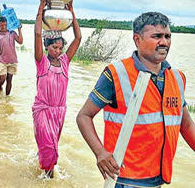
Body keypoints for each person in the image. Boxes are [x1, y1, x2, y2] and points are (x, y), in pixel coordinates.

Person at [76, 12, 195, 187]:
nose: (164, 42)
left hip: (158, 178)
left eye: (168, 36)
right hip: (124, 179)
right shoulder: (116, 74)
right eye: (157, 36)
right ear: (137, 40)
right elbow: (84, 116)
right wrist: (100, 153)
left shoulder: (177, 78)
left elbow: (185, 125)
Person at [32, 0, 82, 178]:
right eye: (54, 47)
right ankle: (47, 179)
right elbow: (37, 33)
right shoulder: (41, 62)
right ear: (47, 46)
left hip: (59, 111)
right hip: (43, 110)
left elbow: (78, 39)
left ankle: (44, 171)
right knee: (50, 150)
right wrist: (40, 9)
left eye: (60, 48)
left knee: (51, 146)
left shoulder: (65, 62)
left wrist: (72, 11)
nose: (58, 51)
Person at [0, 16, 23, 95]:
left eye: (5, 25)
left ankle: (7, 98)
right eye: (2, 25)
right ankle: (0, 86)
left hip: (13, 60)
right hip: (3, 61)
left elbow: (20, 41)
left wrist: (19, 29)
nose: (4, 27)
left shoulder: (12, 33)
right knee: (2, 78)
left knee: (9, 79)